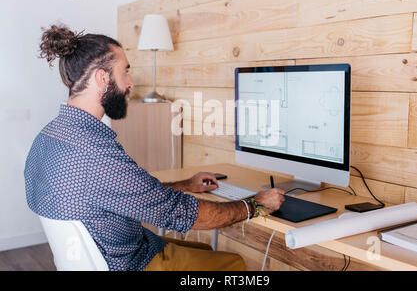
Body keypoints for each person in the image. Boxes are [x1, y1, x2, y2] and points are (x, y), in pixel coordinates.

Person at [24, 24, 285, 271]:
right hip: (131, 262)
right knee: (232, 264)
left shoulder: (49, 137)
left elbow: (121, 194)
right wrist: (255, 205)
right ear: (102, 78)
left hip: (118, 251)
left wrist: (184, 185)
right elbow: (181, 215)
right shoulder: (94, 152)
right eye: (125, 71)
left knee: (203, 250)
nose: (130, 83)